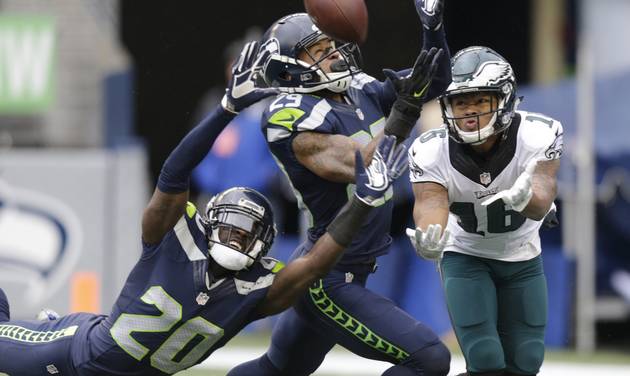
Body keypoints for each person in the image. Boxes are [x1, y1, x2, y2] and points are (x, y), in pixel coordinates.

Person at [0, 40, 408, 375]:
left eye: (249, 235)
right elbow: (173, 175)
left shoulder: (257, 291)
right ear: (208, 224)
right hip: (74, 356)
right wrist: (226, 110)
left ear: (262, 250)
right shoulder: (169, 242)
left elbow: (317, 262)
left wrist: (362, 202)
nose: (237, 237)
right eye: (231, 227)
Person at [228, 1, 453, 375]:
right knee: (429, 358)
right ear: (290, 67)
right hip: (326, 277)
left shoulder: (358, 88)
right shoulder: (289, 114)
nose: (334, 55)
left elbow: (436, 80)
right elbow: (361, 164)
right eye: (320, 51)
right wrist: (405, 112)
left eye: (332, 46)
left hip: (345, 265)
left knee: (277, 370)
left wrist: (433, 28)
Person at [406, 46, 564, 376]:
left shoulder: (539, 134)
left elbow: (543, 197)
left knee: (526, 361)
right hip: (466, 254)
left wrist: (528, 200)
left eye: (480, 100)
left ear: (504, 98)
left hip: (522, 256)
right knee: (486, 358)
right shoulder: (431, 148)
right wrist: (429, 235)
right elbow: (431, 204)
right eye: (461, 102)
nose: (470, 111)